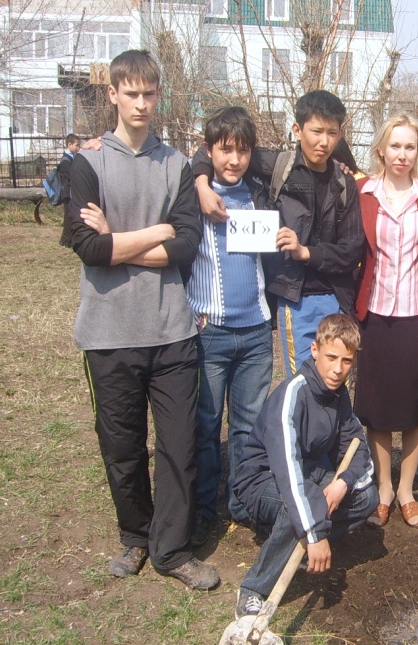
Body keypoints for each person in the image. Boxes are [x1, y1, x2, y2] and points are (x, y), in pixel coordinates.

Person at [69, 49, 218, 590]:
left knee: (178, 444)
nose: (139, 103)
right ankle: (135, 536)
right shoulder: (86, 164)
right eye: (129, 92)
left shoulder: (177, 166)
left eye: (148, 93)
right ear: (111, 94)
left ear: (159, 96)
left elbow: (185, 248)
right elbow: (87, 245)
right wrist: (154, 233)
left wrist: (122, 241)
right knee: (122, 447)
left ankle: (171, 549)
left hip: (172, 331)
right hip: (108, 333)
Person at [194, 91, 364, 376]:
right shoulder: (276, 166)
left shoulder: (344, 182)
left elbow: (352, 249)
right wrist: (201, 184)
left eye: (332, 133)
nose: (324, 141)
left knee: (337, 382)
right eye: (316, 131)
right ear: (297, 130)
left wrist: (306, 252)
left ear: (340, 134)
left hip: (336, 299)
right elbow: (212, 147)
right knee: (301, 383)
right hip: (292, 300)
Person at [230, 313, 378, 618]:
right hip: (264, 478)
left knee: (367, 497)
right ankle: (253, 589)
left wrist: (343, 482)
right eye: (331, 357)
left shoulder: (338, 395)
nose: (338, 370)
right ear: (315, 350)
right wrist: (315, 533)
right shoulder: (293, 394)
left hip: (309, 474)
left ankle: (294, 546)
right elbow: (287, 473)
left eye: (347, 361)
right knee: (295, 508)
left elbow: (358, 447)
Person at [354, 113, 418, 529]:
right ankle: (384, 489)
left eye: (410, 146)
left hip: (416, 315)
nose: (402, 154)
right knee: (376, 408)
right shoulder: (362, 192)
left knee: (414, 408)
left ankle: (407, 491)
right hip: (374, 312)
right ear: (381, 148)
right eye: (395, 146)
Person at [186, 107, 273, 544]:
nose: (233, 160)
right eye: (224, 151)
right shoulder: (192, 192)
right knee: (205, 424)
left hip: (257, 333)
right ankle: (204, 506)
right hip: (210, 333)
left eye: (241, 151)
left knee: (248, 424)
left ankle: (242, 502)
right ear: (208, 151)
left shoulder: (260, 192)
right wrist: (200, 181)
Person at [58, 133, 81, 247]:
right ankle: (66, 240)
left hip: (70, 192)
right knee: (68, 216)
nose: (78, 148)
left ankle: (69, 238)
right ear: (69, 144)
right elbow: (70, 177)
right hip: (67, 193)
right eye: (76, 145)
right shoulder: (66, 161)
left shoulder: (70, 158)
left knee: (71, 215)